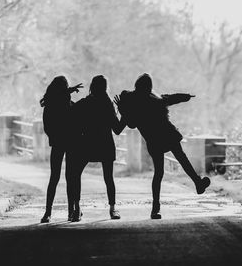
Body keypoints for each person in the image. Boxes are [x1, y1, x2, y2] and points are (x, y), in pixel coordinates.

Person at [114, 73, 210, 219]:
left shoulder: (132, 101)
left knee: (159, 173)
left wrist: (122, 109)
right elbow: (169, 98)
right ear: (149, 87)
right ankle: (197, 183)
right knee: (181, 159)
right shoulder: (154, 98)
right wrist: (185, 96)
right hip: (167, 133)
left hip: (154, 139)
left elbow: (131, 124)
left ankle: (155, 208)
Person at [69, 75, 125, 222]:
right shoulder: (107, 104)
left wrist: (66, 93)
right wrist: (124, 111)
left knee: (76, 175)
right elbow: (118, 130)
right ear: (105, 87)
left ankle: (77, 209)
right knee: (108, 178)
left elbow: (71, 116)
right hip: (105, 143)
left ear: (92, 86)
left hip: (86, 143)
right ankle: (112, 209)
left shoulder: (84, 103)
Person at [39, 76, 83, 223]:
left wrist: (55, 136)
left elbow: (47, 128)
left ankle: (48, 212)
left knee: (55, 178)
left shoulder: (50, 106)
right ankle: (72, 211)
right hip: (70, 143)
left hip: (58, 143)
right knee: (70, 177)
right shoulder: (70, 105)